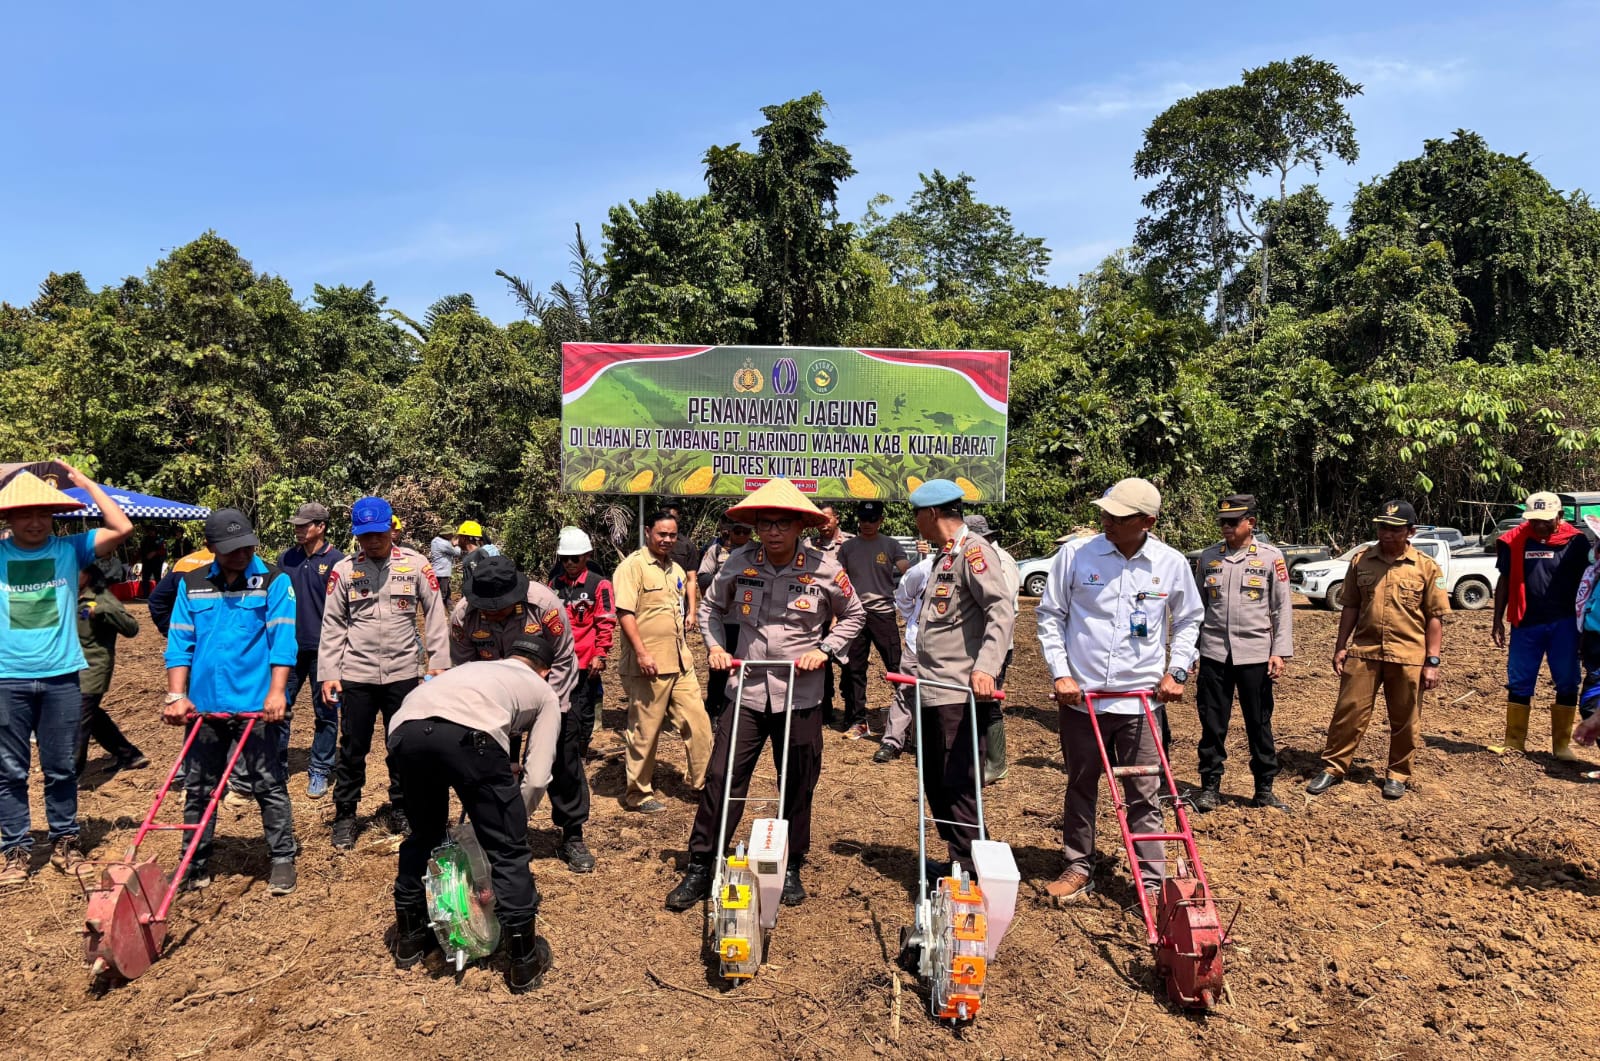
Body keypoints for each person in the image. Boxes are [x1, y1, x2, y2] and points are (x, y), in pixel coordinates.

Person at [665, 479, 865, 911]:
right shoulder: (739, 562)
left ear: (799, 527)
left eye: (782, 524)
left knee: (797, 781)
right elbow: (709, 608)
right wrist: (715, 647)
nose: (773, 532)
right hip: (747, 690)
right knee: (722, 776)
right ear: (756, 527)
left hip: (800, 695)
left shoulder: (824, 567)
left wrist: (825, 649)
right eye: (766, 524)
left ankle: (790, 863)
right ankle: (702, 863)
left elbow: (854, 614)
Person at [1036, 478, 1201, 904]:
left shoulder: (1170, 563)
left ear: (1147, 522)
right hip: (1083, 700)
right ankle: (1078, 866)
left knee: (1145, 793)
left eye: (1119, 517)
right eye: (1106, 512)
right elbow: (1051, 616)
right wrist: (1060, 674)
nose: (1107, 520)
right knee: (1080, 784)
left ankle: (1152, 883)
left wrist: (1177, 672)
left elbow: (1188, 620)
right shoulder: (1076, 555)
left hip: (1141, 702)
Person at [386, 638, 560, 993]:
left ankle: (410, 940)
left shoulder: (475, 669)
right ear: (545, 671)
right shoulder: (544, 692)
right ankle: (524, 962)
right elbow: (538, 777)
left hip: (406, 731)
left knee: (425, 834)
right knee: (508, 851)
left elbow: (446, 729)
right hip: (472, 737)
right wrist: (513, 818)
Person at [0, 466, 132, 885]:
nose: (35, 522)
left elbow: (122, 527)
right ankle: (15, 851)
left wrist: (86, 484)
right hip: (7, 678)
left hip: (61, 677)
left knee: (61, 767)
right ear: (8, 517)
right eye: (25, 514)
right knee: (10, 772)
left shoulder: (71, 549)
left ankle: (65, 842)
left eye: (44, 513)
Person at [162, 508, 299, 895]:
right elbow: (180, 642)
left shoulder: (273, 581)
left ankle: (282, 858)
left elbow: (282, 641)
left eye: (246, 546)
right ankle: (194, 862)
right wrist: (177, 696)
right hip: (204, 705)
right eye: (231, 548)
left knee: (268, 783)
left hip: (256, 703)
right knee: (198, 787)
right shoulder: (192, 584)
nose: (241, 554)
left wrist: (277, 692)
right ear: (211, 547)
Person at [320, 495, 450, 849]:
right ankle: (346, 814)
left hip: (403, 673)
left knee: (404, 746)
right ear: (356, 535)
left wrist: (438, 663)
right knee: (352, 748)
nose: (373, 541)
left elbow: (435, 614)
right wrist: (329, 672)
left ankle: (403, 808)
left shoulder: (416, 565)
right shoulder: (344, 570)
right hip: (357, 674)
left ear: (392, 529)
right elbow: (333, 624)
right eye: (365, 535)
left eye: (379, 533)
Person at [450, 554, 593, 873]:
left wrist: (548, 708)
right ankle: (500, 831)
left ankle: (572, 833)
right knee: (492, 767)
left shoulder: (544, 605)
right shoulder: (463, 616)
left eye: (500, 606)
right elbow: (464, 667)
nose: (493, 612)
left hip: (549, 694)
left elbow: (563, 659)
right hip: (494, 701)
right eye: (487, 607)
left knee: (562, 762)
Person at [902, 481, 1016, 871]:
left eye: (917, 515)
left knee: (958, 781)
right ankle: (958, 858)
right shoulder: (945, 555)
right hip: (932, 686)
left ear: (931, 513)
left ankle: (972, 867)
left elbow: (1000, 610)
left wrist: (986, 667)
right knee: (935, 777)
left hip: (958, 690)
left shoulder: (974, 552)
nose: (916, 522)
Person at [1306, 500, 1449, 800]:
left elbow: (1434, 617)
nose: (1387, 533)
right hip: (1364, 650)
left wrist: (1432, 661)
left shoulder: (1425, 566)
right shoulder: (1361, 561)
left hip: (1408, 654)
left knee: (1405, 719)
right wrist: (1340, 646)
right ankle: (1334, 767)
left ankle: (1398, 774)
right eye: (1383, 527)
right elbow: (1350, 606)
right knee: (1349, 712)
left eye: (1395, 529)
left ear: (1410, 531)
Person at [1191, 494, 1294, 811]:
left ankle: (1264, 789)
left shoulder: (1270, 557)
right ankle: (1210, 787)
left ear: (1251, 522)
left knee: (1259, 723)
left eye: (1233, 522)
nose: (1226, 527)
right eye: (1222, 522)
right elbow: (1196, 609)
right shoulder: (1209, 558)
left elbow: (1282, 608)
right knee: (1212, 724)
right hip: (1214, 653)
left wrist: (1279, 651)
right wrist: (1192, 651)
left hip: (1255, 654)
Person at [614, 510, 712, 814]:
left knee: (699, 723)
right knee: (645, 730)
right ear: (648, 532)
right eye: (662, 534)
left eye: (672, 535)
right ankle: (638, 794)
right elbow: (625, 613)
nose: (667, 540)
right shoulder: (632, 567)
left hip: (680, 661)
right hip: (648, 664)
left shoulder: (676, 570)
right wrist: (642, 653)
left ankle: (704, 784)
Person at [1491, 491, 1589, 760]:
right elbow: (1504, 579)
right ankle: (1514, 742)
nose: (1540, 525)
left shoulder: (1576, 542)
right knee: (1519, 681)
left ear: (1560, 516)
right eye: (1534, 520)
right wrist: (1497, 619)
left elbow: (1587, 581)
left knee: (1567, 681)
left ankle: (1561, 746)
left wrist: (1587, 626)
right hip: (1526, 622)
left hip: (1565, 623)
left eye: (1546, 520)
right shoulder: (1515, 540)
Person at [279, 502, 344, 798]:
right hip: (288, 649)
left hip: (325, 651)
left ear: (321, 526)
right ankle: (277, 765)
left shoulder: (337, 562)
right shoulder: (286, 559)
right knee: (279, 708)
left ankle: (320, 768)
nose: (298, 529)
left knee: (326, 711)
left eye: (304, 525)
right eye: (296, 525)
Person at [837, 501, 910, 739]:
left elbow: (908, 571)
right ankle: (857, 720)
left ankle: (910, 717)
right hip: (855, 615)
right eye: (863, 519)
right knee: (853, 669)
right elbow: (838, 578)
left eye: (872, 519)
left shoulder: (890, 545)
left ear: (881, 521)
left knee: (896, 665)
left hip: (883, 613)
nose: (867, 524)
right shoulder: (847, 547)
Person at [961, 514, 1020, 784]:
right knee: (977, 701)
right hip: (979, 643)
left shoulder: (998, 561)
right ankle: (979, 756)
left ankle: (996, 763)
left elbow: (1002, 609)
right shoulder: (981, 557)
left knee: (988, 701)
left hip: (994, 646)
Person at [75, 564, 147, 777]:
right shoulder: (72, 595)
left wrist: (101, 610)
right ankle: (129, 755)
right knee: (92, 716)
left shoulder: (102, 598)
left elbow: (131, 627)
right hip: (72, 667)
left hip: (92, 668)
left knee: (78, 719)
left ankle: (69, 775)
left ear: (87, 573)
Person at [551, 527, 616, 759]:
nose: (569, 563)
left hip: (585, 660)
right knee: (559, 706)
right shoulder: (554, 585)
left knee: (584, 707)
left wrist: (601, 654)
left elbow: (606, 622)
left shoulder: (599, 585)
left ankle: (580, 751)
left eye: (574, 558)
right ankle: (562, 750)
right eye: (564, 558)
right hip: (559, 659)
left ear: (587, 556)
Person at [877, 551, 934, 763]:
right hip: (916, 643)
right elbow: (903, 596)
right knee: (906, 691)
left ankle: (930, 744)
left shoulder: (969, 568)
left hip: (950, 649)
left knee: (941, 696)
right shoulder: (923, 569)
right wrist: (913, 620)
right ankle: (891, 742)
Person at [698, 517, 754, 718]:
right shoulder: (716, 551)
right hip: (724, 620)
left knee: (745, 668)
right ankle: (713, 710)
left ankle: (739, 711)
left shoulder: (758, 552)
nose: (741, 535)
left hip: (748, 621)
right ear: (730, 531)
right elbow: (703, 577)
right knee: (720, 668)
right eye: (737, 531)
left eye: (746, 532)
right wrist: (728, 579)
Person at [811, 503, 851, 727]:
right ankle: (824, 710)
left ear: (837, 518)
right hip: (817, 615)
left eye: (827, 518)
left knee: (850, 665)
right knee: (820, 663)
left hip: (845, 615)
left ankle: (852, 713)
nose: (824, 523)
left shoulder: (851, 543)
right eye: (820, 519)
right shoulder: (807, 545)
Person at [148, 547, 214, 635]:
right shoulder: (225, 562)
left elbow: (156, 599)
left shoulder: (184, 561)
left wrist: (171, 631)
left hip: (187, 634)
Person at [429, 527, 461, 602]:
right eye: (451, 534)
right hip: (443, 572)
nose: (452, 536)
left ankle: (448, 606)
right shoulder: (444, 544)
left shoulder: (435, 540)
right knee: (443, 593)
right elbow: (457, 552)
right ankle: (439, 607)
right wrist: (456, 545)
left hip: (436, 570)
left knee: (442, 592)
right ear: (446, 534)